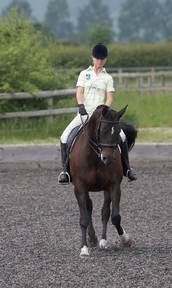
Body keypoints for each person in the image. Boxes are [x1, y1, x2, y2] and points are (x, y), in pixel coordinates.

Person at [58, 43, 137, 184]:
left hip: (102, 115)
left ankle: (127, 169)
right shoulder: (84, 74)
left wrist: (105, 111)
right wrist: (80, 105)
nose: (99, 61)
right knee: (64, 136)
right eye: (97, 59)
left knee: (123, 136)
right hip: (84, 113)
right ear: (92, 58)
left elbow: (110, 97)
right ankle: (65, 171)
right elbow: (79, 92)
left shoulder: (108, 78)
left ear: (105, 60)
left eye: (102, 59)